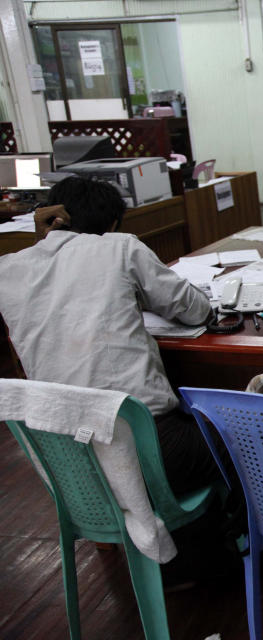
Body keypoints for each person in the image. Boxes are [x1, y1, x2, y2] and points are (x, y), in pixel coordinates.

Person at [0, 177, 216, 495]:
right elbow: (195, 310)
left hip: (70, 463)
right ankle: (230, 534)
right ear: (111, 224)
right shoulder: (119, 247)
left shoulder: (7, 270)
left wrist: (42, 238)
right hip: (145, 447)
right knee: (246, 443)